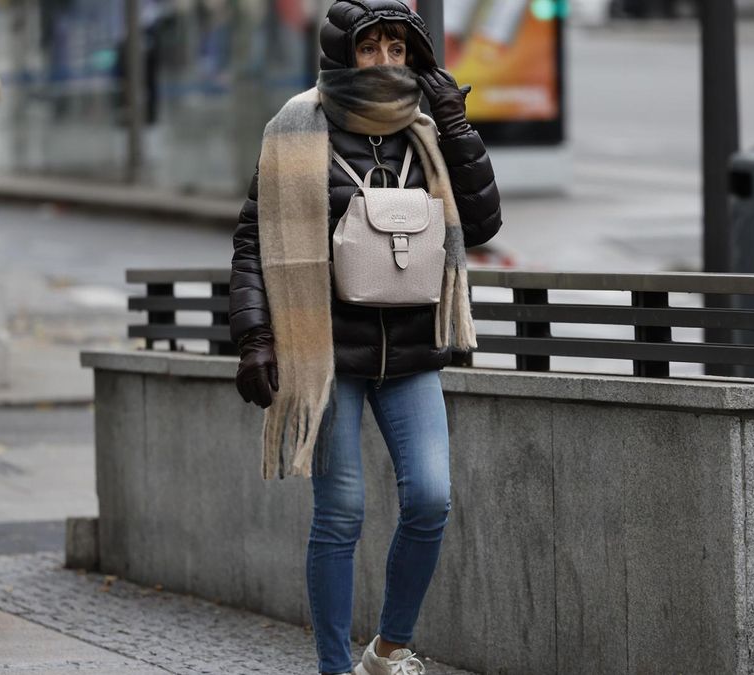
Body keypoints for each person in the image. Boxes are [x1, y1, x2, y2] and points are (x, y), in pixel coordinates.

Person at [229, 2, 501, 673]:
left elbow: (484, 223)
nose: (384, 61)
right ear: (343, 55)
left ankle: (390, 647)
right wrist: (256, 335)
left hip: (411, 347)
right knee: (342, 509)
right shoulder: (296, 126)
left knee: (432, 497)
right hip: (326, 350)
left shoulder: (430, 129)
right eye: (370, 48)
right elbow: (252, 239)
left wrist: (457, 122)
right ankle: (333, 667)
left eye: (397, 49)